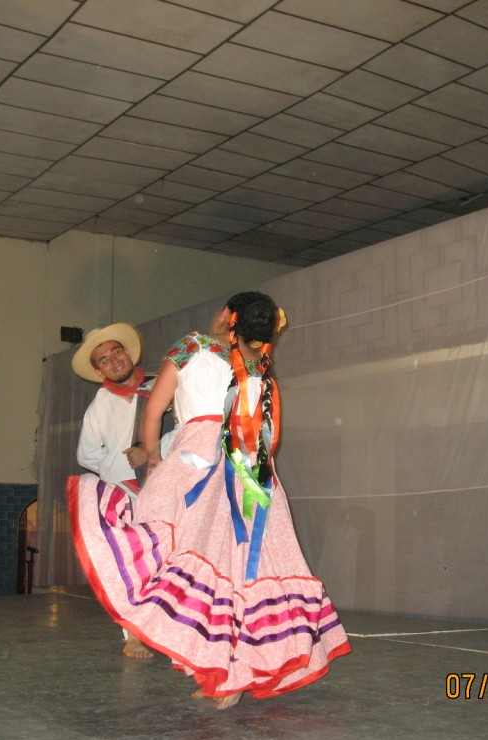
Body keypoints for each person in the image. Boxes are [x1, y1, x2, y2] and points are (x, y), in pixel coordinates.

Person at [70, 292, 352, 709]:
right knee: (242, 570)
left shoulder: (192, 346)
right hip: (253, 471)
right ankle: (232, 672)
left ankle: (207, 663)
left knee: (158, 536)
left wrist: (153, 457)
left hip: (198, 457)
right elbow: (272, 438)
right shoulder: (263, 370)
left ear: (226, 316)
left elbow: (154, 413)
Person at [73, 322, 161, 659]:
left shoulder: (160, 387)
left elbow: (184, 429)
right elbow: (86, 454)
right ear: (99, 371)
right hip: (125, 490)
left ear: (127, 352)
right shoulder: (101, 403)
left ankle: (178, 631)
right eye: (104, 360)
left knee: (172, 560)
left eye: (116, 351)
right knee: (133, 564)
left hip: (166, 484)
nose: (113, 360)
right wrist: (120, 466)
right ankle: (134, 634)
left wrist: (152, 452)